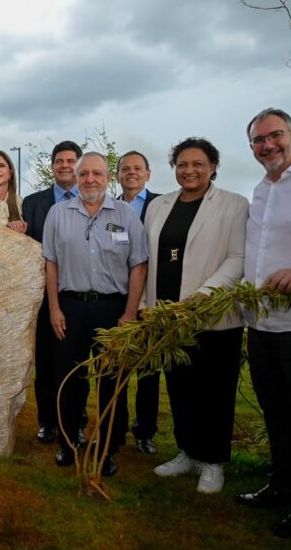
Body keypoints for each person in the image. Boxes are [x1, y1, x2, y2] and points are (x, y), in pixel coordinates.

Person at [143, 138, 247, 494]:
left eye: (198, 164)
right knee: (180, 387)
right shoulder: (159, 206)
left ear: (213, 166)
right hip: (169, 317)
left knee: (214, 391)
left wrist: (201, 297)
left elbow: (237, 258)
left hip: (213, 318)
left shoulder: (233, 205)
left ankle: (213, 461)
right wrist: (147, 305)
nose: (189, 170)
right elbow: (150, 258)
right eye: (183, 164)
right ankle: (187, 451)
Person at [43, 151, 147, 477]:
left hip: (113, 309)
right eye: (84, 173)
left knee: (111, 381)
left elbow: (139, 264)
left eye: (97, 174)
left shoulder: (127, 215)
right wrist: (55, 309)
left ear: (108, 178)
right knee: (69, 379)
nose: (90, 179)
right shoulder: (57, 214)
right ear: (75, 177)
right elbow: (50, 264)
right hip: (70, 308)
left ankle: (108, 447)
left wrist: (130, 312)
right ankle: (68, 442)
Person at [236, 108, 291, 539]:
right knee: (277, 412)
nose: (267, 146)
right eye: (258, 141)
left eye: (274, 136)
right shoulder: (261, 190)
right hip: (262, 326)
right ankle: (283, 485)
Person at [22, 141, 82, 445]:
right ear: (52, 166)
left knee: (75, 364)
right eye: (59, 161)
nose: (65, 166)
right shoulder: (33, 203)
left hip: (79, 293)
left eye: (71, 161)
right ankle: (47, 421)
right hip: (44, 296)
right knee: (45, 361)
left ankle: (76, 422)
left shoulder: (91, 201)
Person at [115, 150, 161, 455]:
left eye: (137, 168)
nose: (131, 173)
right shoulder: (111, 208)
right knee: (116, 370)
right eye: (125, 169)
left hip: (152, 298)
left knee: (148, 370)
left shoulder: (162, 205)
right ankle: (115, 430)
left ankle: (145, 432)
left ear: (148, 173)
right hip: (118, 296)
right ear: (117, 175)